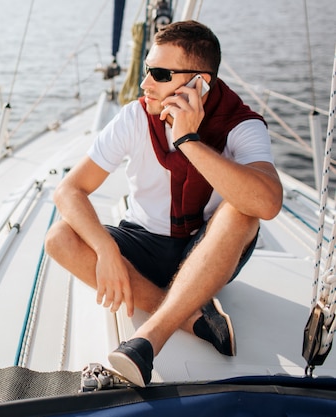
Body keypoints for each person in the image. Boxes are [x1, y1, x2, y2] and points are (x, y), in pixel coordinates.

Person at [44, 20, 283, 387]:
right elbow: (69, 191)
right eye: (145, 70)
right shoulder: (135, 116)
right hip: (144, 243)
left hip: (208, 252)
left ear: (199, 82)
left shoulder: (241, 125)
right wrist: (106, 249)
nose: (145, 84)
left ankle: (148, 340)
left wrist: (188, 138)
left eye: (158, 73)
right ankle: (186, 314)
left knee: (242, 206)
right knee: (59, 237)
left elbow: (267, 203)